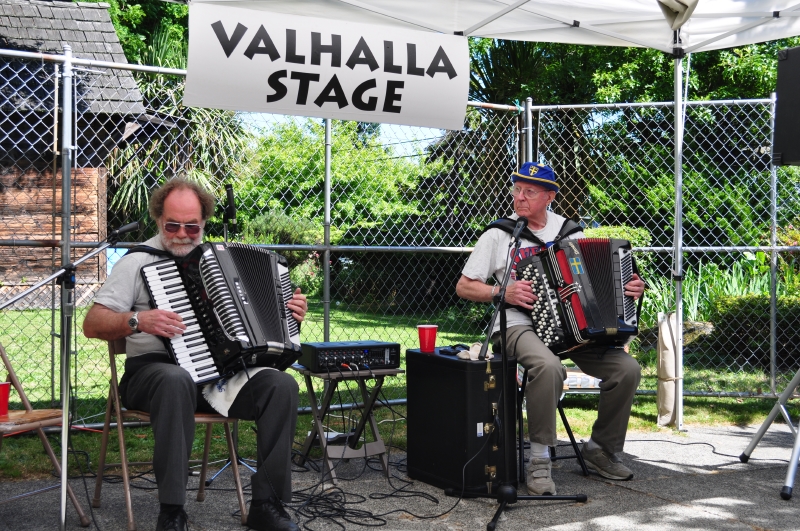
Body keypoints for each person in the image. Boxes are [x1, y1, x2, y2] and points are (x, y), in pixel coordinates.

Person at [83, 177, 306, 531]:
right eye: (173, 225)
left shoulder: (218, 262)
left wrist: (289, 313)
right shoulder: (137, 262)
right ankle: (172, 512)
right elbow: (92, 324)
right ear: (159, 219)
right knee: (176, 379)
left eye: (192, 227)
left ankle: (267, 504)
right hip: (153, 375)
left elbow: (254, 322)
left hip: (218, 376)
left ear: (204, 223)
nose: (182, 235)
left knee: (282, 386)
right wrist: (138, 320)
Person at [455, 162, 645, 496]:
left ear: (550, 197)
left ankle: (600, 448)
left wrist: (629, 287)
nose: (519, 197)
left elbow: (594, 283)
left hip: (574, 331)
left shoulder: (570, 232)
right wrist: (502, 291)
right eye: (516, 189)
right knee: (548, 366)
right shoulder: (499, 234)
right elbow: (464, 286)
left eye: (529, 191)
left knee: (627, 370)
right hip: (517, 323)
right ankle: (540, 460)